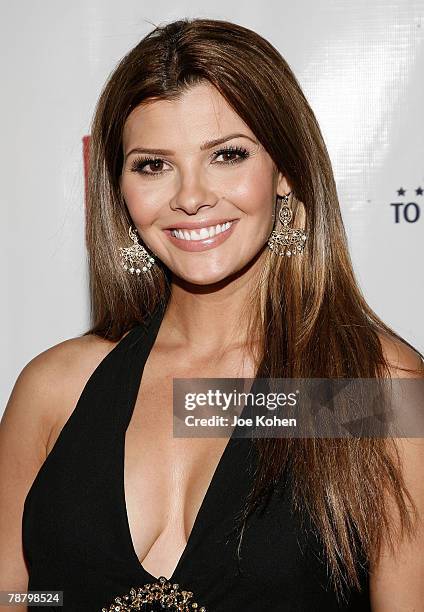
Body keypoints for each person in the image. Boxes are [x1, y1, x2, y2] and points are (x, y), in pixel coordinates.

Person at [1, 17, 423, 612]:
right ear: (119, 188)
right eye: (153, 164)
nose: (191, 196)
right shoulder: (55, 389)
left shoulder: (368, 390)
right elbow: (20, 592)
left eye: (226, 155)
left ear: (284, 172)